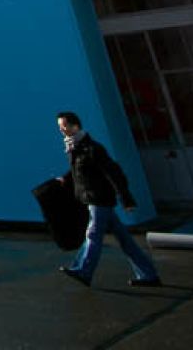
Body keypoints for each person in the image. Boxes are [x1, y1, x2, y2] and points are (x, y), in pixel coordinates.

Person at [55, 111, 161, 288]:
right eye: (59, 127)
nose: (61, 130)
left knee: (93, 234)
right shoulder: (75, 148)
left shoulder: (92, 148)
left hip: (99, 198)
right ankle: (148, 274)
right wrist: (65, 179)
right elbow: (79, 172)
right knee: (125, 240)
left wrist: (126, 198)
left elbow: (114, 173)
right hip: (92, 199)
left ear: (75, 126)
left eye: (64, 126)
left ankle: (84, 270)